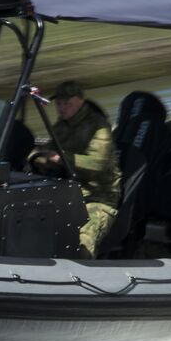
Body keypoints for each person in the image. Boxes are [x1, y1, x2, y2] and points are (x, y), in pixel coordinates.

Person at [30, 80, 122, 259]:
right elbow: (46, 150)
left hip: (99, 196)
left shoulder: (98, 127)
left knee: (84, 238)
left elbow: (98, 165)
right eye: (59, 104)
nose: (62, 108)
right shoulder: (62, 126)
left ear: (80, 101)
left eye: (67, 104)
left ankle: (84, 271)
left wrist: (63, 158)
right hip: (67, 191)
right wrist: (37, 158)